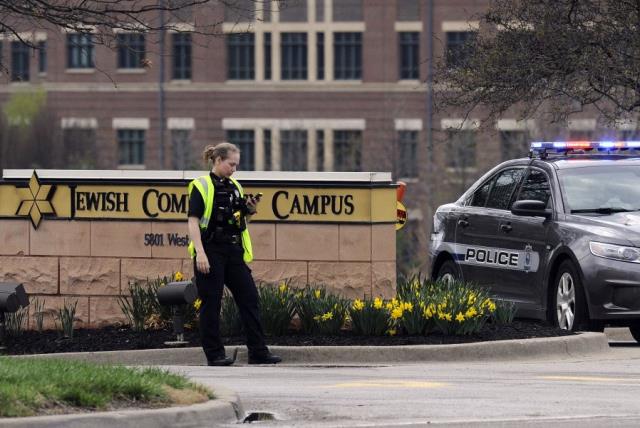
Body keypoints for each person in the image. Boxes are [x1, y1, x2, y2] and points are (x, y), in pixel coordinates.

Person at [187, 142, 281, 366]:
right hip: (210, 250)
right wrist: (200, 253)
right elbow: (192, 221)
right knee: (212, 303)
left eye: (236, 165)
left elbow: (241, 222)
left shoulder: (236, 186)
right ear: (218, 160)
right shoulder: (201, 186)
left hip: (233, 250)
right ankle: (215, 354)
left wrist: (249, 210)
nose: (234, 169)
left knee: (250, 299)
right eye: (231, 164)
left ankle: (258, 353)